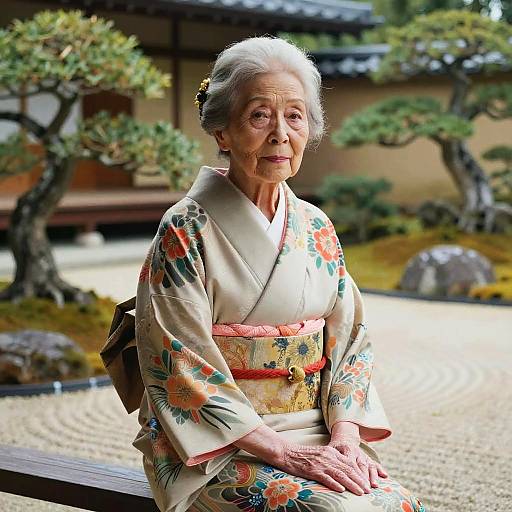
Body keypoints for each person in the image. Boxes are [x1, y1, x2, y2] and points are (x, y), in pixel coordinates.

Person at [131, 36, 427, 512]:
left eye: (294, 115)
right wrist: (283, 452)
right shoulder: (184, 230)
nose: (280, 134)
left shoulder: (316, 226)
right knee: (334, 510)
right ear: (222, 132)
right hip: (214, 444)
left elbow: (351, 340)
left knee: (403, 507)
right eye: (259, 115)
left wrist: (346, 437)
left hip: (317, 430)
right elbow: (178, 362)